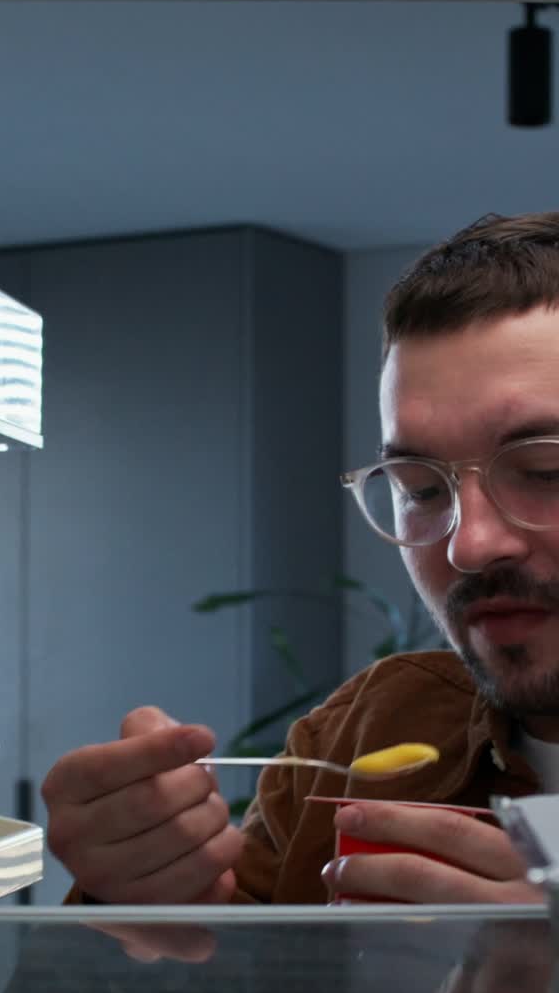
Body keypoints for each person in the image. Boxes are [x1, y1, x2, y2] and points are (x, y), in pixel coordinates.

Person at [43, 210, 559, 910]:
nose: (469, 546)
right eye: (421, 488)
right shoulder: (370, 730)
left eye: (544, 470)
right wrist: (138, 909)